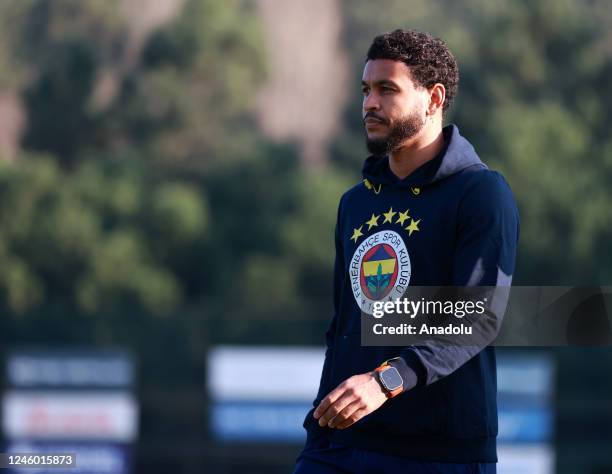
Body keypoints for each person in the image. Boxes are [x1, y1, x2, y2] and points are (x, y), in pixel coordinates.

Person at [293, 29, 519, 473]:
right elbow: (344, 325)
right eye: (365, 90)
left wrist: (385, 381)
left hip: (439, 455)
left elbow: (476, 318)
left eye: (386, 89)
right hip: (338, 447)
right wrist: (321, 425)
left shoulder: (481, 194)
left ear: (433, 98)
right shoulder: (355, 202)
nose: (369, 103)